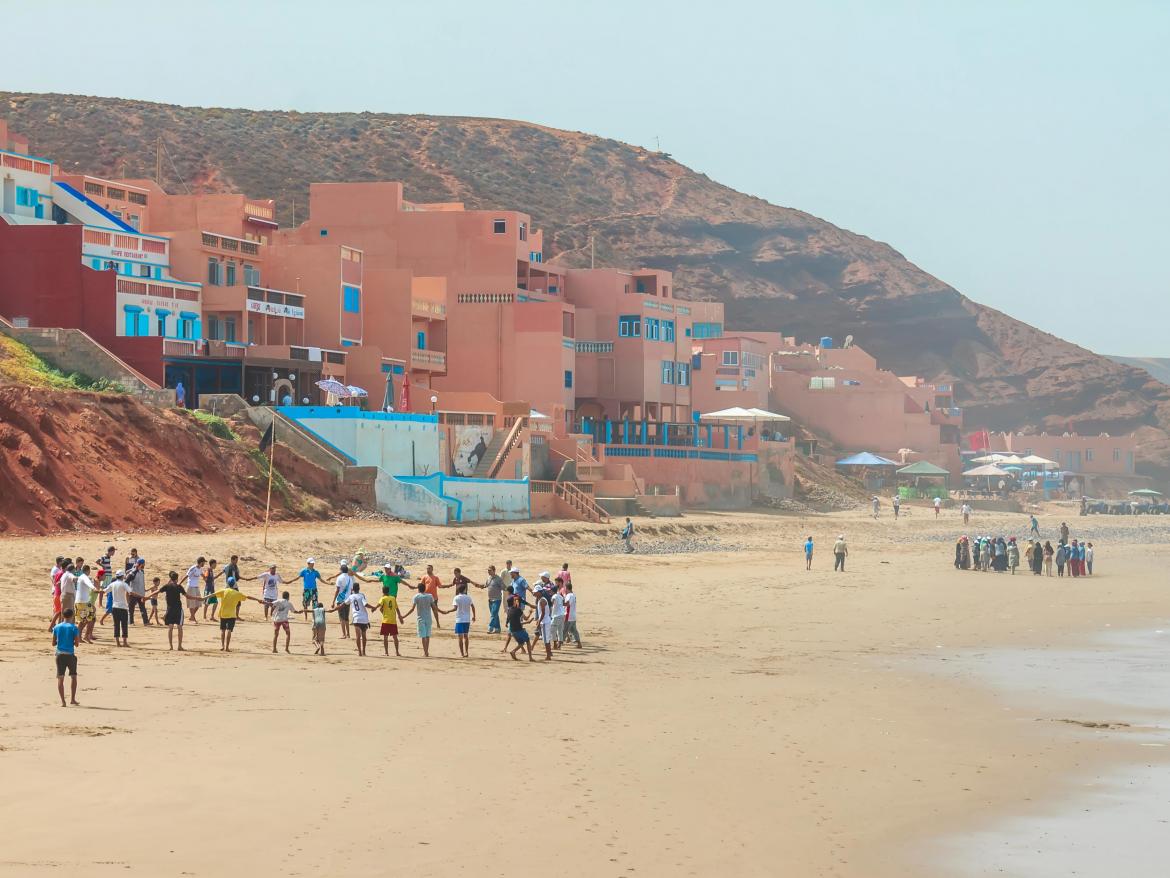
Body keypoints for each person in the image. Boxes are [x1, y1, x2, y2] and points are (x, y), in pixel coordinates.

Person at [209, 578, 263, 652]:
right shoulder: (236, 593)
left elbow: (212, 594)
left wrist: (202, 598)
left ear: (227, 583)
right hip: (232, 614)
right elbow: (248, 597)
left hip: (223, 614)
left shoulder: (223, 591)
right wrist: (258, 600)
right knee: (229, 630)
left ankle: (222, 646)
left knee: (223, 630)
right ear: (234, 584)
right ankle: (227, 647)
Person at [149, 571, 188, 651]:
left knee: (170, 628)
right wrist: (198, 598)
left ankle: (171, 646)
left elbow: (157, 591)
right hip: (178, 609)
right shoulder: (179, 587)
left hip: (170, 609)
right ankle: (179, 646)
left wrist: (147, 597)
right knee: (179, 627)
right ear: (177, 579)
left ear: (170, 578)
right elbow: (188, 596)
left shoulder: (167, 586)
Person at [52, 608, 81, 707]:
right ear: (72, 616)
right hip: (70, 655)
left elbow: (53, 643)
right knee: (73, 676)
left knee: (60, 678)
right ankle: (72, 699)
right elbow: (77, 644)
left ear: (63, 616)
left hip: (60, 655)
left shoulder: (57, 627)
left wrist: (60, 642)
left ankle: (63, 701)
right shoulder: (74, 628)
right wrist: (71, 642)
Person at [401, 582, 436, 657]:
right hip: (428, 618)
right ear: (425, 588)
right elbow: (434, 607)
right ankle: (427, 651)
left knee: (423, 636)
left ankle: (425, 652)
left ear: (418, 589)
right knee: (427, 635)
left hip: (420, 618)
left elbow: (412, 609)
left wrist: (404, 616)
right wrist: (442, 612)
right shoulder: (430, 596)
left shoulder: (416, 597)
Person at [447, 583, 476, 658]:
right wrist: (474, 616)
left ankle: (462, 653)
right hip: (467, 619)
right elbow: (472, 607)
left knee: (460, 637)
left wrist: (448, 611)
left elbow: (455, 608)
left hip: (459, 619)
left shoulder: (456, 598)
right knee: (466, 636)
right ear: (464, 590)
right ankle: (466, 652)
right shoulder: (468, 598)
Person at [328, 562, 356, 640]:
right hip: (348, 599)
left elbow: (337, 590)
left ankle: (343, 634)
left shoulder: (339, 578)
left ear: (341, 570)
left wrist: (333, 601)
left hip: (340, 599)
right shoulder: (350, 578)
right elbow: (351, 590)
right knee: (346, 617)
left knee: (341, 618)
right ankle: (348, 634)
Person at [374, 584, 403, 657]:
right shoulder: (393, 598)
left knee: (385, 637)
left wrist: (374, 608)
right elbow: (397, 609)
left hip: (386, 621)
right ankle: (397, 652)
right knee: (395, 637)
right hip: (393, 620)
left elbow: (379, 605)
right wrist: (400, 616)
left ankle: (386, 652)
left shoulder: (383, 598)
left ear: (383, 592)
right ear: (389, 591)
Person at [344, 583, 372, 657]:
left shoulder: (351, 597)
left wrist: (334, 609)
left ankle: (359, 652)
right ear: (359, 588)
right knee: (364, 636)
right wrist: (373, 607)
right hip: (364, 618)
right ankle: (364, 651)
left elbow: (344, 604)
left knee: (357, 636)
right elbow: (365, 604)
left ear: (352, 589)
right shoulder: (362, 595)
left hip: (356, 618)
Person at [505, 594, 534, 661]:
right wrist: (530, 613)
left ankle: (513, 652)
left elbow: (510, 620)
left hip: (512, 631)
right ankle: (530, 658)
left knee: (521, 643)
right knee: (527, 640)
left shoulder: (509, 610)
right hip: (518, 630)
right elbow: (526, 618)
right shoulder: (518, 610)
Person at [479, 564, 505, 634]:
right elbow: (486, 585)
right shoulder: (489, 578)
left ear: (494, 571)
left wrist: (505, 588)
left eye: (490, 570)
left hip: (497, 599)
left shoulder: (499, 579)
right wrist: (481, 586)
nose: (488, 571)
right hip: (490, 600)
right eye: (488, 570)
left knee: (493, 614)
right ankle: (498, 629)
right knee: (495, 614)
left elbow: (504, 587)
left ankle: (490, 627)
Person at [109, 572, 131, 647]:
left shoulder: (113, 584)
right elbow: (130, 591)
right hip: (123, 607)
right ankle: (124, 642)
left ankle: (117, 642)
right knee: (124, 625)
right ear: (122, 576)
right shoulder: (124, 584)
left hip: (114, 607)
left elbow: (105, 591)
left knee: (116, 625)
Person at [419, 564, 445, 629]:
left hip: (434, 597)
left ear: (432, 569)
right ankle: (425, 623)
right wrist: (419, 594)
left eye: (429, 568)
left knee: (435, 610)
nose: (428, 570)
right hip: (425, 597)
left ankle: (438, 623)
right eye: (427, 569)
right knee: (425, 611)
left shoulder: (436, 577)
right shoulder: (424, 577)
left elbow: (440, 586)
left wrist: (447, 586)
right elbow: (421, 586)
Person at [127, 558, 149, 626]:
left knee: (143, 608)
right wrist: (129, 591)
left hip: (141, 594)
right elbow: (126, 582)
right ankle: (131, 622)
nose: (144, 565)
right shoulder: (133, 573)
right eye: (143, 564)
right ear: (141, 564)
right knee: (131, 609)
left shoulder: (142, 571)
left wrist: (143, 590)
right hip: (133, 594)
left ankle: (146, 622)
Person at [185, 557, 206, 623]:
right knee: (192, 604)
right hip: (190, 586)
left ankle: (192, 616)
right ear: (200, 562)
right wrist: (179, 584)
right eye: (203, 562)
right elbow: (186, 576)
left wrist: (207, 579)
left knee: (199, 603)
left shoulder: (200, 569)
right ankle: (193, 618)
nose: (204, 563)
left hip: (196, 587)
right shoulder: (193, 568)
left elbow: (203, 576)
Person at [563, 583, 581, 647]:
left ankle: (559, 644)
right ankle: (579, 643)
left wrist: (560, 603)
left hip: (568, 616)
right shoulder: (573, 595)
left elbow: (567, 604)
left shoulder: (569, 595)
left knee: (564, 630)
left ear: (566, 588)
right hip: (573, 616)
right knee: (574, 630)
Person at [550, 582, 566, 649]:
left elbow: (552, 603)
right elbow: (563, 603)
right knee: (560, 630)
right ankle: (559, 643)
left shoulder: (554, 596)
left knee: (552, 630)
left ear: (552, 591)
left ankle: (554, 643)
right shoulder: (560, 596)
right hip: (562, 614)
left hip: (556, 615)